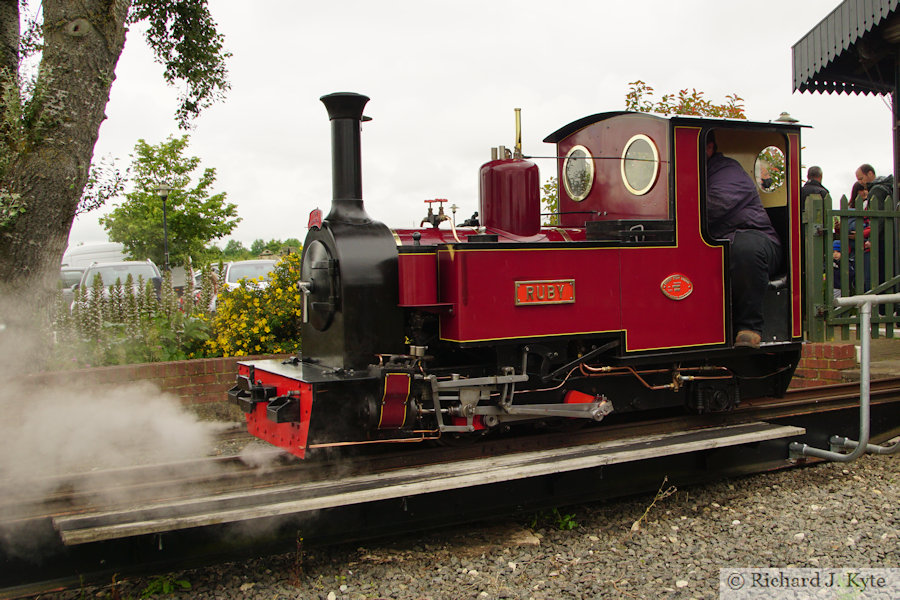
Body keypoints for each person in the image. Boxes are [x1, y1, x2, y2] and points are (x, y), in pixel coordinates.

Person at [706, 133, 782, 349]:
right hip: (719, 243)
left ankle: (749, 327)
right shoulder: (692, 174)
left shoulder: (728, 171)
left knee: (745, 249)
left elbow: (713, 205)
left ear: (709, 148)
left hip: (758, 238)